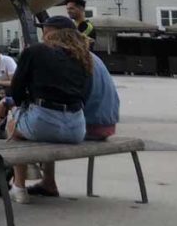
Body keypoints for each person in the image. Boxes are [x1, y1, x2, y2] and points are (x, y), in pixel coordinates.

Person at [0, 16, 92, 204]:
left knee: (13, 127)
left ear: (50, 32)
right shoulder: (83, 56)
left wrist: (19, 104)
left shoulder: (35, 51)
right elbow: (86, 93)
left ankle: (19, 186)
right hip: (76, 128)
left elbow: (16, 88)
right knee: (42, 129)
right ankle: (48, 180)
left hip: (43, 121)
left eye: (44, 30)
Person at [27, 53, 120, 197]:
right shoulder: (91, 57)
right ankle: (47, 181)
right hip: (107, 123)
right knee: (51, 121)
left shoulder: (74, 60)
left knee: (46, 124)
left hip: (90, 124)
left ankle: (30, 181)